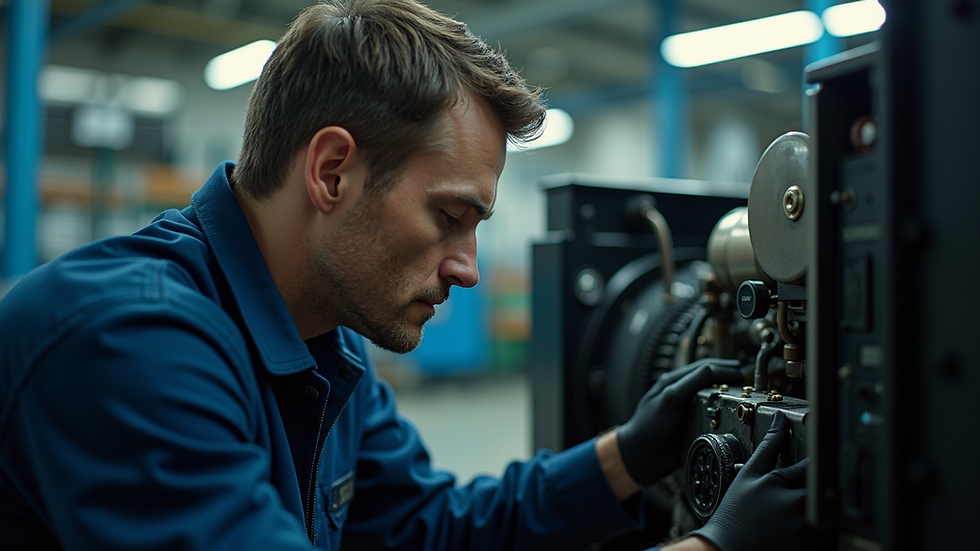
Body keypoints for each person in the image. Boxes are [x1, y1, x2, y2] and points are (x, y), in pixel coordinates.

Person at [0, 1, 808, 550]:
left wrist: (629, 453)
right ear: (332, 172)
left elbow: (434, 528)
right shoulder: (126, 340)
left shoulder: (326, 349)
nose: (467, 268)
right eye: (449, 218)